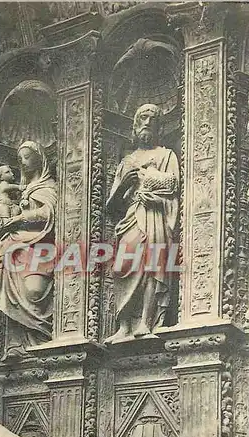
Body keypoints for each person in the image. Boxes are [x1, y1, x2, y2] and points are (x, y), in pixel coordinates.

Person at [105, 104, 179, 343]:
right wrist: (125, 183)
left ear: (159, 126)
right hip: (131, 218)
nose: (147, 122)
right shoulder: (127, 161)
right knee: (123, 266)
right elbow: (112, 208)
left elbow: (173, 188)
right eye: (143, 118)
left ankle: (146, 323)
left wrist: (154, 196)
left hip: (155, 216)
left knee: (152, 267)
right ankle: (124, 325)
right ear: (135, 125)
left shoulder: (166, 156)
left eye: (152, 119)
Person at [0, 141, 57, 361]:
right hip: (15, 248)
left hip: (40, 245)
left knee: (34, 293)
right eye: (20, 157)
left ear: (40, 158)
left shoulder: (48, 186)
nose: (22, 161)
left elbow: (49, 212)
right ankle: (17, 344)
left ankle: (42, 338)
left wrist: (19, 218)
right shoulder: (22, 188)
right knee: (12, 296)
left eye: (27, 156)